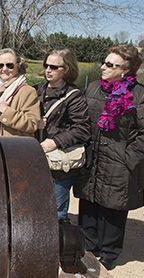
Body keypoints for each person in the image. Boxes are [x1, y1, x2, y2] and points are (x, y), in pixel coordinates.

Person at [74, 44, 144, 270]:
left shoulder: (139, 95)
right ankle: (87, 247)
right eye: (104, 62)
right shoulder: (94, 88)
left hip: (120, 162)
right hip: (93, 156)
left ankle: (109, 254)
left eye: (110, 64)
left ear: (126, 70)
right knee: (89, 202)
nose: (102, 67)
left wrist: (128, 157)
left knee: (112, 208)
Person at [36, 49, 90, 221]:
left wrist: (55, 141)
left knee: (56, 211)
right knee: (35, 206)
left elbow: (82, 129)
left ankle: (58, 244)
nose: (48, 70)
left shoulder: (74, 97)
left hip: (59, 163)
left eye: (54, 66)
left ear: (66, 69)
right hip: (36, 157)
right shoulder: (37, 91)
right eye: (46, 65)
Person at [0, 48, 40, 137]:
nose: (4, 69)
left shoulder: (27, 91)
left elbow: (32, 124)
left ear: (18, 66)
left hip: (10, 147)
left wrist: (7, 111)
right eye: (0, 66)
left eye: (9, 65)